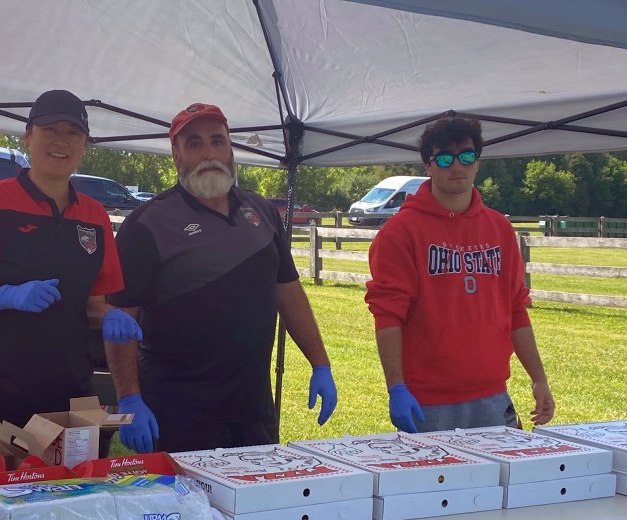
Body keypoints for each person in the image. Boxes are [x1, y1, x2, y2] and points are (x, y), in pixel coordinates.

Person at [105, 102, 338, 454]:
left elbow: (288, 292)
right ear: (176, 154)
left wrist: (320, 363)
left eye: (217, 140)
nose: (209, 152)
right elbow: (122, 318)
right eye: (194, 143)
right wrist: (129, 398)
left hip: (252, 407)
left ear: (230, 147)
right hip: (178, 411)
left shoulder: (262, 211)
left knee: (254, 504)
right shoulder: (148, 223)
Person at [0, 89, 141, 456]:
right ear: (28, 136)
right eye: (50, 129)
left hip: (67, 403)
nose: (61, 140)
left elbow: (92, 304)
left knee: (64, 508)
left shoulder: (94, 217)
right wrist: (7, 295)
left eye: (73, 133)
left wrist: (108, 316)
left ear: (84, 145)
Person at [365, 117, 555, 434]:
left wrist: (538, 378)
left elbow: (516, 309)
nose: (457, 166)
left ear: (478, 162)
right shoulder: (401, 232)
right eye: (444, 158)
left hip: (492, 395)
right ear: (428, 165)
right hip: (427, 400)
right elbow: (387, 316)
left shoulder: (500, 229)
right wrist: (396, 387)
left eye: (466, 156)